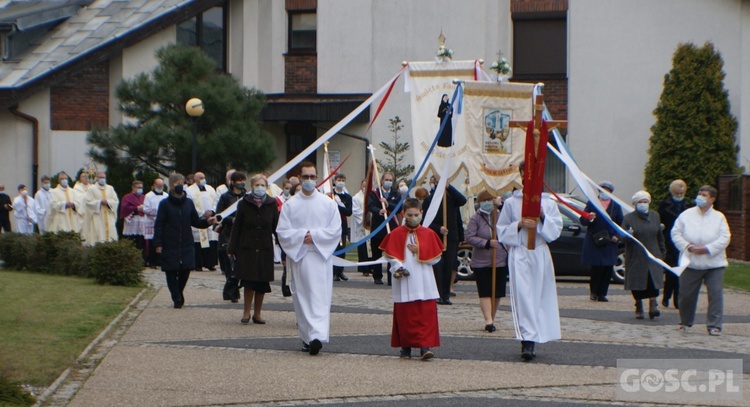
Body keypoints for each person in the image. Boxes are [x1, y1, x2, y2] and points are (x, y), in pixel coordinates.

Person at [497, 163, 563, 361]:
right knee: (523, 296)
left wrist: (543, 217)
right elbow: (501, 229)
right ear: (521, 175)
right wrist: (518, 224)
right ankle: (527, 341)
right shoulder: (511, 203)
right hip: (520, 251)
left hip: (540, 252)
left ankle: (540, 333)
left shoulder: (549, 203)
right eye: (525, 173)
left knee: (540, 296)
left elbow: (556, 229)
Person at [276, 162, 342, 356]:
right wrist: (301, 236)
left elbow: (335, 229)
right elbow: (282, 231)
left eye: (312, 177)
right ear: (299, 178)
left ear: (317, 178)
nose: (309, 181)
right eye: (305, 177)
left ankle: (317, 336)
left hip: (320, 257)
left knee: (319, 297)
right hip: (300, 257)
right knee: (302, 297)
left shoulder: (328, 203)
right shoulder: (290, 205)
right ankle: (307, 337)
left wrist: (315, 235)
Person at [380, 198, 443, 360]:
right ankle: (405, 348)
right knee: (405, 314)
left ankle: (425, 347)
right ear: (403, 214)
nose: (413, 217)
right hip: (405, 280)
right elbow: (389, 254)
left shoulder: (429, 234)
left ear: (421, 213)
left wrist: (420, 250)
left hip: (424, 279)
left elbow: (436, 258)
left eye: (416, 214)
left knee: (425, 314)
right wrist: (398, 266)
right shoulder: (395, 234)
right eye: (410, 214)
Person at [671, 185, 730, 336]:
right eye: (699, 194)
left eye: (704, 195)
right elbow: (676, 233)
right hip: (691, 261)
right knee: (686, 294)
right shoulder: (686, 215)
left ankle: (714, 325)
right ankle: (685, 321)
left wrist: (708, 248)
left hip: (714, 263)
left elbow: (725, 237)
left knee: (715, 294)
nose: (700, 197)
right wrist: (687, 246)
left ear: (712, 199)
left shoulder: (719, 217)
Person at [154, 173, 216, 308]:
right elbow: (159, 224)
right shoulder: (164, 204)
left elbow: (195, 221)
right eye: (177, 183)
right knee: (171, 270)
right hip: (170, 241)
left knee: (185, 269)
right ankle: (176, 297)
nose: (180, 186)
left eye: (182, 183)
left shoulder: (188, 202)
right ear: (171, 186)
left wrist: (207, 222)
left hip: (186, 241)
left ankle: (178, 292)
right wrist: (158, 243)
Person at [228, 173, 279, 324]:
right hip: (247, 247)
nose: (260, 188)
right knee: (248, 282)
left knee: (262, 284)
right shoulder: (244, 203)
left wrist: (285, 248)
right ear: (252, 187)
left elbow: (277, 227)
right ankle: (246, 312)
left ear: (267, 187)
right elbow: (237, 227)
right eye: (257, 185)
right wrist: (232, 248)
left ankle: (258, 313)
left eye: (262, 185)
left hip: (264, 248)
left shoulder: (271, 204)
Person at [465, 190, 507, 333]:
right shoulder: (475, 218)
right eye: (485, 200)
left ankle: (492, 318)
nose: (488, 203)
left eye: (491, 200)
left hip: (499, 259)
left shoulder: (500, 215)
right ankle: (488, 320)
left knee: (497, 292)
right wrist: (487, 243)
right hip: (481, 261)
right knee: (485, 291)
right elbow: (469, 237)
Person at [622, 191, 665, 320]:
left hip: (653, 253)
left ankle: (653, 306)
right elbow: (622, 237)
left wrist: (662, 252)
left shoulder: (655, 216)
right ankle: (639, 305)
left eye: (645, 201)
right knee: (638, 283)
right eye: (640, 202)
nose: (643, 204)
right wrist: (628, 234)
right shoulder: (629, 218)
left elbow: (659, 236)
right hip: (636, 255)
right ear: (635, 204)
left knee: (653, 281)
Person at [422, 181, 467, 305]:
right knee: (437, 266)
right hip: (436, 237)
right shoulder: (429, 200)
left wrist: (449, 187)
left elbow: (462, 201)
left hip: (451, 237)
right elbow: (425, 221)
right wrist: (438, 228)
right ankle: (437, 293)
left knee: (448, 266)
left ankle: (446, 295)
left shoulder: (452, 198)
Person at [579, 181, 623, 302]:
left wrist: (616, 236)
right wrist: (589, 218)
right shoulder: (592, 203)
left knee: (607, 267)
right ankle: (594, 292)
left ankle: (602, 293)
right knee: (596, 267)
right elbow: (583, 220)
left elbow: (620, 223)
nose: (604, 193)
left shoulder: (615, 206)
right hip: (595, 239)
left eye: (607, 191)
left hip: (610, 240)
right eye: (602, 190)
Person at [658, 179, 690, 308]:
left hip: (684, 241)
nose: (679, 195)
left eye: (681, 192)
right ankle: (666, 296)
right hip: (669, 241)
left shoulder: (689, 205)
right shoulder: (664, 204)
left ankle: (677, 299)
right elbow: (661, 222)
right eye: (677, 192)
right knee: (671, 271)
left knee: (681, 271)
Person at [216, 171, 247, 303]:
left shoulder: (247, 196)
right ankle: (232, 291)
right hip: (228, 233)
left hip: (243, 233)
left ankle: (234, 288)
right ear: (233, 182)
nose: (241, 182)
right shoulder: (225, 197)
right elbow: (220, 214)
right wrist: (232, 220)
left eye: (243, 180)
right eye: (239, 180)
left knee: (240, 263)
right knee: (229, 263)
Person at [368, 172, 401, 285]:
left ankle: (391, 277)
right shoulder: (375, 193)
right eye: (386, 179)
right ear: (381, 180)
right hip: (378, 227)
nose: (388, 182)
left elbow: (399, 207)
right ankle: (377, 276)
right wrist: (379, 211)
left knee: (391, 253)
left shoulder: (396, 194)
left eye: (390, 180)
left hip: (391, 228)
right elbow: (370, 205)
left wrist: (387, 205)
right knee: (376, 253)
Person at [186, 172, 218, 271]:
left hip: (210, 218)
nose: (203, 179)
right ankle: (198, 264)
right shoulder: (189, 190)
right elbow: (191, 204)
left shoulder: (210, 189)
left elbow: (215, 201)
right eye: (200, 178)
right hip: (199, 218)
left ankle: (209, 263)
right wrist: (202, 213)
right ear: (195, 179)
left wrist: (212, 211)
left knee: (209, 242)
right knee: (198, 243)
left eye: (204, 177)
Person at [82, 171, 119, 246]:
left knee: (111, 232)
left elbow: (115, 201)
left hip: (108, 215)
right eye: (101, 177)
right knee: (98, 232)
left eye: (104, 177)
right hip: (97, 215)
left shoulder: (110, 188)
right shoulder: (91, 189)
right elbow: (88, 202)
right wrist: (99, 202)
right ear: (97, 178)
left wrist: (108, 202)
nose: (102, 179)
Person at [331, 173, 352, 281]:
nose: (341, 182)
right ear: (334, 181)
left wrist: (338, 206)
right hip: (331, 225)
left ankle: (340, 271)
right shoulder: (330, 194)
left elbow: (349, 212)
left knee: (342, 250)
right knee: (333, 249)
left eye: (343, 180)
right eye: (339, 179)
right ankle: (333, 271)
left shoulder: (347, 197)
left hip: (342, 226)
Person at [143, 178, 168, 268]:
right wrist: (157, 214)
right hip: (152, 221)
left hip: (163, 223)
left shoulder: (166, 195)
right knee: (152, 242)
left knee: (163, 241)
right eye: (158, 186)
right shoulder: (148, 196)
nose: (160, 187)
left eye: (161, 186)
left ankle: (161, 261)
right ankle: (152, 261)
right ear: (154, 185)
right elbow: (145, 209)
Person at [120, 180, 147, 263]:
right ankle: (130, 260)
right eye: (138, 187)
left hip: (142, 220)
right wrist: (136, 208)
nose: (140, 189)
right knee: (132, 240)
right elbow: (124, 208)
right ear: (133, 187)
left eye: (141, 187)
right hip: (132, 221)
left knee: (141, 240)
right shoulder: (127, 197)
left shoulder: (144, 197)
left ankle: (141, 260)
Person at [351, 179, 372, 276]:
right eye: (364, 186)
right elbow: (356, 211)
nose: (365, 188)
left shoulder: (371, 197)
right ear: (361, 187)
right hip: (361, 227)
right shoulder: (356, 198)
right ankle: (364, 269)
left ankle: (371, 267)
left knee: (371, 247)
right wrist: (366, 218)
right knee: (363, 248)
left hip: (371, 226)